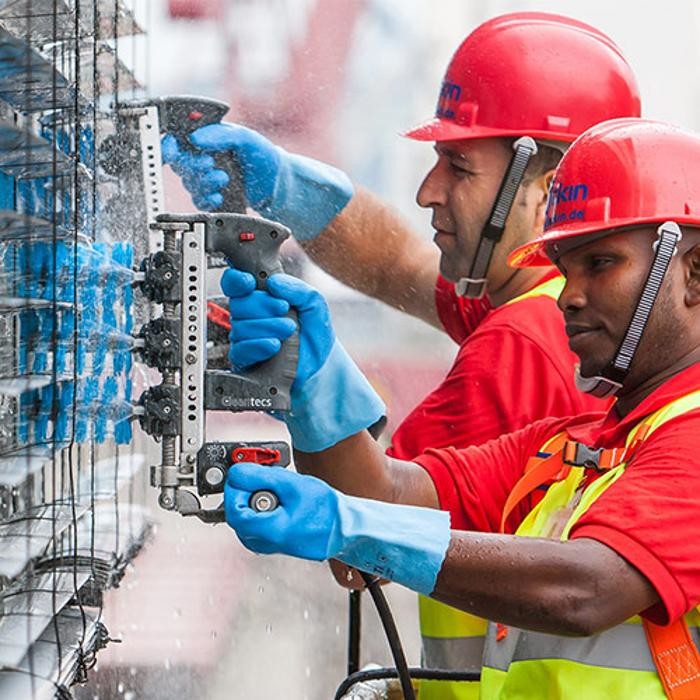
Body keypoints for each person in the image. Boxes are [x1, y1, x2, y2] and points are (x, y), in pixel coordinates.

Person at [162, 13, 641, 696]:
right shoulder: (562, 306)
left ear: (548, 183)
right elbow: (405, 268)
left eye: (459, 166)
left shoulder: (521, 347)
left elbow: (367, 535)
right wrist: (290, 190)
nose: (428, 191)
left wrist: (313, 381)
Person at [221, 118, 700, 699]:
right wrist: (313, 385)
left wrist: (356, 530)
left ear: (693, 273)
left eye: (600, 264)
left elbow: (588, 590)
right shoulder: (575, 446)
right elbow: (383, 494)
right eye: (565, 269)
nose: (569, 295)